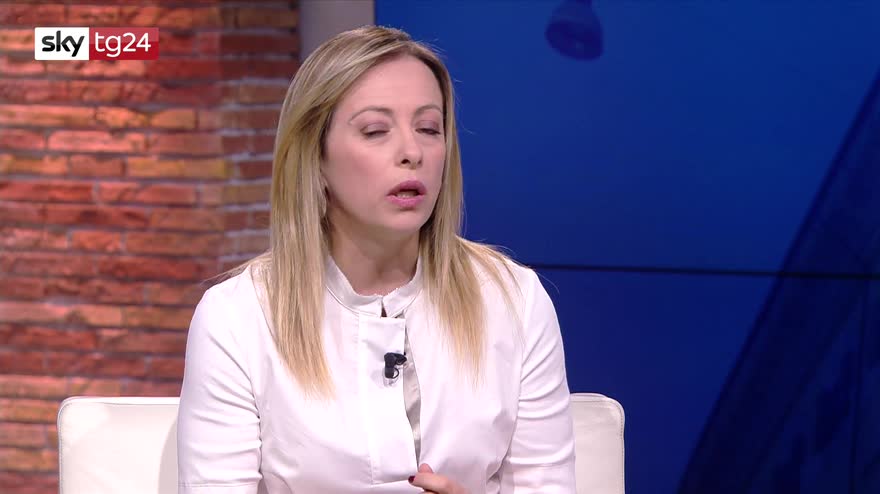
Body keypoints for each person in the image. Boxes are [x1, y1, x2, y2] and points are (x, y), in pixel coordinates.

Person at [176, 25, 576, 493]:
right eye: (375, 131)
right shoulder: (238, 317)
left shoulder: (513, 300)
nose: (412, 152)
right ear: (315, 156)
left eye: (429, 129)